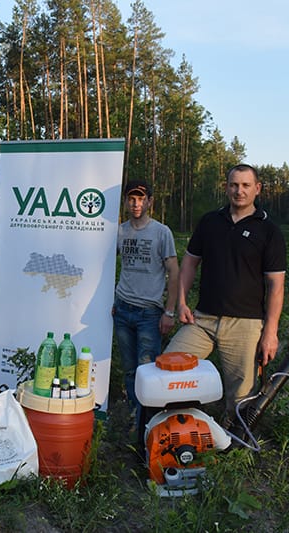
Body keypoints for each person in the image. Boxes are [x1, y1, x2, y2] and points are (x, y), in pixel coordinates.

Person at [165, 164, 286, 425]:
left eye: (245, 185)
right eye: (233, 185)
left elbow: (276, 285)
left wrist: (270, 332)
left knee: (241, 397)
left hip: (245, 324)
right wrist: (182, 303)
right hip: (202, 320)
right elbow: (189, 263)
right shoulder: (210, 222)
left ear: (257, 189)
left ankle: (234, 446)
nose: (239, 191)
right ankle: (181, 426)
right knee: (168, 368)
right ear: (226, 187)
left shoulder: (269, 231)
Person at [112, 180, 179, 445]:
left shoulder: (162, 233)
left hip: (150, 313)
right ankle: (135, 417)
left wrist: (170, 312)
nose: (136, 204)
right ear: (126, 202)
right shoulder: (119, 232)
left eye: (141, 199)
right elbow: (104, 265)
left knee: (147, 370)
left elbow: (174, 271)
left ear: (150, 201)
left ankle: (149, 422)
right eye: (131, 199)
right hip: (123, 310)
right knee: (129, 370)